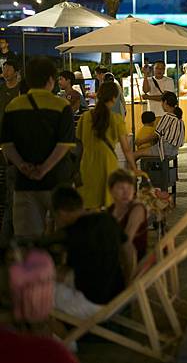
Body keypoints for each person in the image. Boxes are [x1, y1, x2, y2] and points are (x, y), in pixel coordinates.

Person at [1, 57, 75, 240]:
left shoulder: (13, 106)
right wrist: (44, 169)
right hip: (57, 181)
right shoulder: (61, 106)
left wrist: (22, 165)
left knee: (28, 241)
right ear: (50, 80)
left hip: (24, 183)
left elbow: (7, 144)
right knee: (65, 237)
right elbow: (64, 144)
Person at [45, 186, 126, 319]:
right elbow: (129, 250)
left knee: (37, 293)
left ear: (61, 213)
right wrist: (129, 279)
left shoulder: (73, 233)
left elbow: (63, 271)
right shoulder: (107, 219)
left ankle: (66, 339)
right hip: (118, 298)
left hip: (95, 306)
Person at [77, 82, 139, 209]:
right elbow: (126, 149)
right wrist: (134, 168)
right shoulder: (116, 119)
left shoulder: (85, 117)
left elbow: (78, 144)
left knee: (90, 206)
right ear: (114, 98)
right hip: (108, 164)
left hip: (87, 164)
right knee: (109, 205)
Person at [107, 169, 148, 280]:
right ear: (111, 190)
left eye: (129, 188)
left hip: (131, 262)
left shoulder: (137, 209)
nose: (126, 192)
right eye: (121, 188)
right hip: (114, 258)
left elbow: (126, 240)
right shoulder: (110, 210)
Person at [0, 60, 20, 243]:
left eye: (8, 68)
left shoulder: (21, 90)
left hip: (17, 147)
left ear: (16, 71)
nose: (5, 71)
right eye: (3, 68)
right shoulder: (1, 90)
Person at [134, 91, 185, 160]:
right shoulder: (179, 119)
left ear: (165, 102)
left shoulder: (167, 117)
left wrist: (140, 142)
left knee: (134, 154)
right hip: (174, 151)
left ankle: (134, 170)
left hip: (163, 150)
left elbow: (155, 135)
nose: (161, 105)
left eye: (161, 102)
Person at [0, 60, 21, 130]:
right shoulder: (1, 88)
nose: (5, 73)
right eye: (4, 69)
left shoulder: (21, 89)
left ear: (16, 73)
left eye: (8, 70)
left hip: (15, 129)